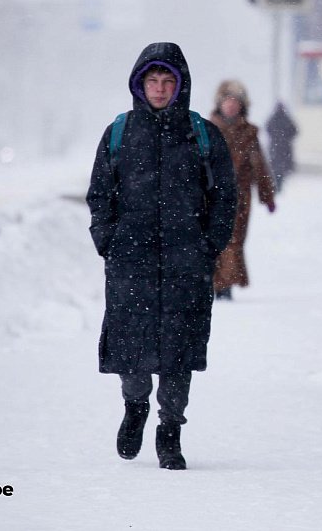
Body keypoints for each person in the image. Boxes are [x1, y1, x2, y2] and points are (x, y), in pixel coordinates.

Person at [86, 42, 237, 470]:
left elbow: (225, 195)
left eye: (168, 80)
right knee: (129, 351)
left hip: (185, 263)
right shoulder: (118, 132)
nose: (159, 88)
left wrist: (208, 244)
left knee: (178, 353)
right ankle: (135, 408)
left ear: (180, 85)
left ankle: (170, 430)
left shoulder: (202, 134)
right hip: (129, 262)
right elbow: (99, 194)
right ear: (139, 84)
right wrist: (107, 239)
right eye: (152, 80)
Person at [208, 80, 276, 301]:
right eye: (227, 101)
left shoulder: (249, 133)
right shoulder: (206, 130)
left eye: (236, 101)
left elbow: (259, 165)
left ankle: (225, 284)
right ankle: (215, 282)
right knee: (212, 238)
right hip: (211, 196)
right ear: (220, 103)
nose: (231, 105)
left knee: (234, 239)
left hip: (239, 197)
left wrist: (267, 196)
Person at [265, 102, 298, 192]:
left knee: (276, 168)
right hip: (283, 147)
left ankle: (277, 184)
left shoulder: (274, 119)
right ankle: (278, 185)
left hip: (277, 147)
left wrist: (276, 137)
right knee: (280, 168)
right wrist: (285, 138)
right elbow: (294, 130)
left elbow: (268, 128)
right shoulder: (286, 119)